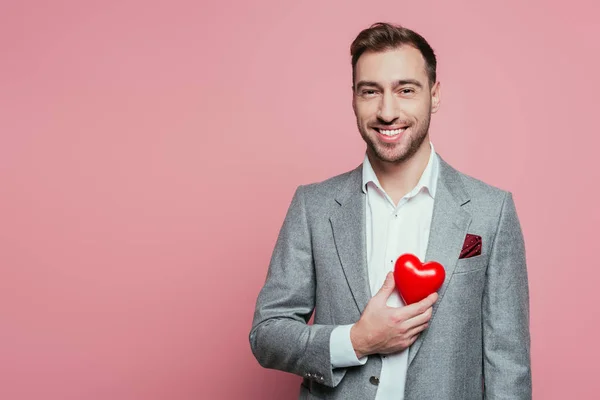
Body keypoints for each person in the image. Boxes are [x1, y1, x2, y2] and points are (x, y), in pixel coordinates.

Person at [249, 22, 531, 400]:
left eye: (405, 90)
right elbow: (267, 333)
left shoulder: (490, 211)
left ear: (434, 95)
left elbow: (508, 366)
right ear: (353, 99)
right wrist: (355, 341)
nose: (387, 111)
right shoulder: (312, 207)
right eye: (371, 92)